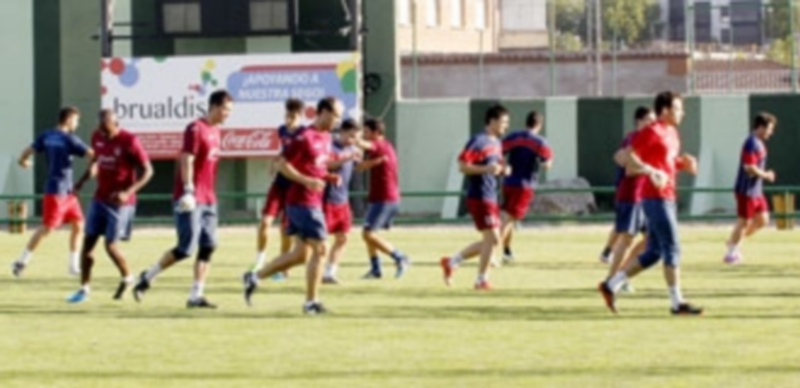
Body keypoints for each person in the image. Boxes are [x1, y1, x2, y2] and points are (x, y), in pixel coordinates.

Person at [599, 91, 703, 316]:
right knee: (673, 247)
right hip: (654, 198)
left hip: (667, 196)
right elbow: (626, 159)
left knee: (655, 251)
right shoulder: (651, 131)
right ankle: (677, 303)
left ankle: (611, 285)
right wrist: (650, 170)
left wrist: (682, 164)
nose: (682, 113)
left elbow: (666, 163)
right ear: (664, 110)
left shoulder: (672, 132)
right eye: (677, 108)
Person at [132, 90, 233, 309]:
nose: (228, 114)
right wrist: (188, 190)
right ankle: (147, 277)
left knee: (209, 246)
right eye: (226, 109)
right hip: (190, 197)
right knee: (186, 248)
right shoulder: (195, 128)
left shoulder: (217, 131)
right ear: (214, 106)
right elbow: (187, 159)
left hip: (209, 198)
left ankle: (196, 295)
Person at [243, 97, 343, 314]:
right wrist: (308, 181)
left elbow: (315, 167)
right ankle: (311, 303)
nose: (338, 119)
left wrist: (328, 177)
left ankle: (254, 277)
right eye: (336, 114)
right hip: (301, 201)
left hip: (311, 200)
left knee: (301, 255)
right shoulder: (304, 137)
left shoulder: (326, 137)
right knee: (322, 248)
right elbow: (281, 164)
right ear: (323, 112)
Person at [66, 109, 153, 303]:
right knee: (88, 244)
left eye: (107, 130)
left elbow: (148, 171)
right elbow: (96, 161)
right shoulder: (97, 136)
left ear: (116, 123)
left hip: (120, 203)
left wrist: (127, 192)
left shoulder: (130, 141)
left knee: (110, 246)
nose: (104, 134)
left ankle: (128, 277)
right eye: (101, 129)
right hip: (100, 198)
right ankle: (84, 289)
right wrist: (82, 181)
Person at [12, 107, 93, 278]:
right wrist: (94, 166)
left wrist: (23, 162)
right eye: (76, 120)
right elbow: (92, 154)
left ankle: (73, 266)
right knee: (47, 228)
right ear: (69, 119)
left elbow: (26, 153)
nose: (77, 124)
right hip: (57, 192)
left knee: (79, 225)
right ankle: (21, 261)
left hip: (68, 193)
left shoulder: (47, 135)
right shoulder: (70, 139)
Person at [440, 104, 510, 290]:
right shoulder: (478, 141)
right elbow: (463, 166)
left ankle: (453, 262)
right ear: (492, 121)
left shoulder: (496, 143)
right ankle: (480, 279)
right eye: (503, 122)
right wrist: (485, 169)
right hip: (480, 195)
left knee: (493, 240)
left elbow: (497, 166)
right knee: (494, 240)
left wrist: (503, 170)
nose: (505, 126)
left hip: (491, 195)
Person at [602, 107, 656, 292]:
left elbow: (619, 157)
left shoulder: (638, 138)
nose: (652, 123)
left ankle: (620, 275)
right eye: (649, 119)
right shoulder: (635, 138)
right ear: (639, 121)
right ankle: (612, 279)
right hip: (631, 195)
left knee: (651, 238)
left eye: (653, 120)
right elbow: (628, 168)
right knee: (626, 239)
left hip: (643, 195)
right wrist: (652, 170)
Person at [252, 98, 305, 279]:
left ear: (300, 116)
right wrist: (275, 160)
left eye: (292, 116)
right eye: (287, 115)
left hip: (294, 185)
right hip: (279, 183)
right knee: (265, 223)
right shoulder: (281, 131)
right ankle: (259, 261)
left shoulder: (305, 134)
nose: (288, 120)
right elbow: (285, 150)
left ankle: (283, 267)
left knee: (285, 230)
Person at [357, 118, 409, 279]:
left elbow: (367, 146)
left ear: (376, 133)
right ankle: (375, 269)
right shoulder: (384, 148)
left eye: (366, 132)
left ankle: (400, 257)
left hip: (385, 198)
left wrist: (352, 139)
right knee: (369, 233)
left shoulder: (380, 145)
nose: (364, 135)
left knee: (367, 234)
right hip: (381, 197)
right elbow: (362, 167)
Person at [499, 110, 553, 264]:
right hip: (524, 186)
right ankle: (491, 251)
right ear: (539, 124)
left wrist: (504, 165)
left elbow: (499, 152)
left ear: (526, 122)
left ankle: (507, 252)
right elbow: (548, 164)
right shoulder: (540, 142)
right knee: (509, 220)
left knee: (507, 218)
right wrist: (542, 163)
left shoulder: (513, 137)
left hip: (508, 183)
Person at [723, 112, 777, 264]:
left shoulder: (759, 143)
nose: (770, 133)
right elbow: (749, 167)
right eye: (769, 129)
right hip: (745, 190)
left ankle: (733, 241)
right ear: (760, 127)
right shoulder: (751, 143)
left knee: (763, 220)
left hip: (756, 191)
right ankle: (730, 254)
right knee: (744, 222)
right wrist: (766, 175)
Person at [323, 119, 362, 284]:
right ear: (342, 132)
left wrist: (374, 161)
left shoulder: (352, 149)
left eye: (355, 137)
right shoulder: (330, 147)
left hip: (343, 201)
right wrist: (347, 158)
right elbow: (328, 165)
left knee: (343, 238)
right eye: (351, 136)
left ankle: (329, 273)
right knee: (319, 242)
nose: (353, 140)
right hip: (326, 200)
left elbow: (357, 165)